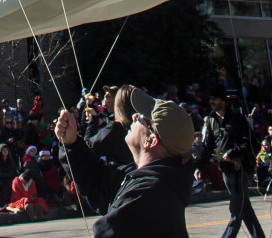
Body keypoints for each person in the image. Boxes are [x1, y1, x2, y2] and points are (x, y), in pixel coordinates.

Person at [55, 87, 195, 237]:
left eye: (142, 118)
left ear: (151, 140)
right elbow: (98, 182)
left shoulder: (148, 193)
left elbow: (109, 231)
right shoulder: (147, 179)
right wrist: (72, 144)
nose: (134, 116)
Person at [197, 84, 265, 238]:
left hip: (241, 169)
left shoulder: (237, 118)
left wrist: (232, 153)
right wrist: (199, 167)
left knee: (236, 210)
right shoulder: (211, 121)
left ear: (222, 100)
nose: (211, 102)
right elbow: (207, 148)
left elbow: (251, 144)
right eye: (210, 99)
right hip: (226, 171)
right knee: (243, 207)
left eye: (214, 99)